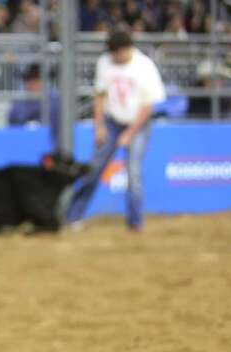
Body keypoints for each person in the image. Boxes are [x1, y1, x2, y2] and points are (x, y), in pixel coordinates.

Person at [64, 29, 166, 232]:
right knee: (92, 169)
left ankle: (135, 223)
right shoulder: (105, 62)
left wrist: (129, 133)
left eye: (116, 53)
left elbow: (148, 107)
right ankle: (72, 216)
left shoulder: (144, 66)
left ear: (126, 49)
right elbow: (100, 96)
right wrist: (99, 126)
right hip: (111, 122)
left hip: (137, 124)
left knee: (134, 173)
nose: (114, 58)